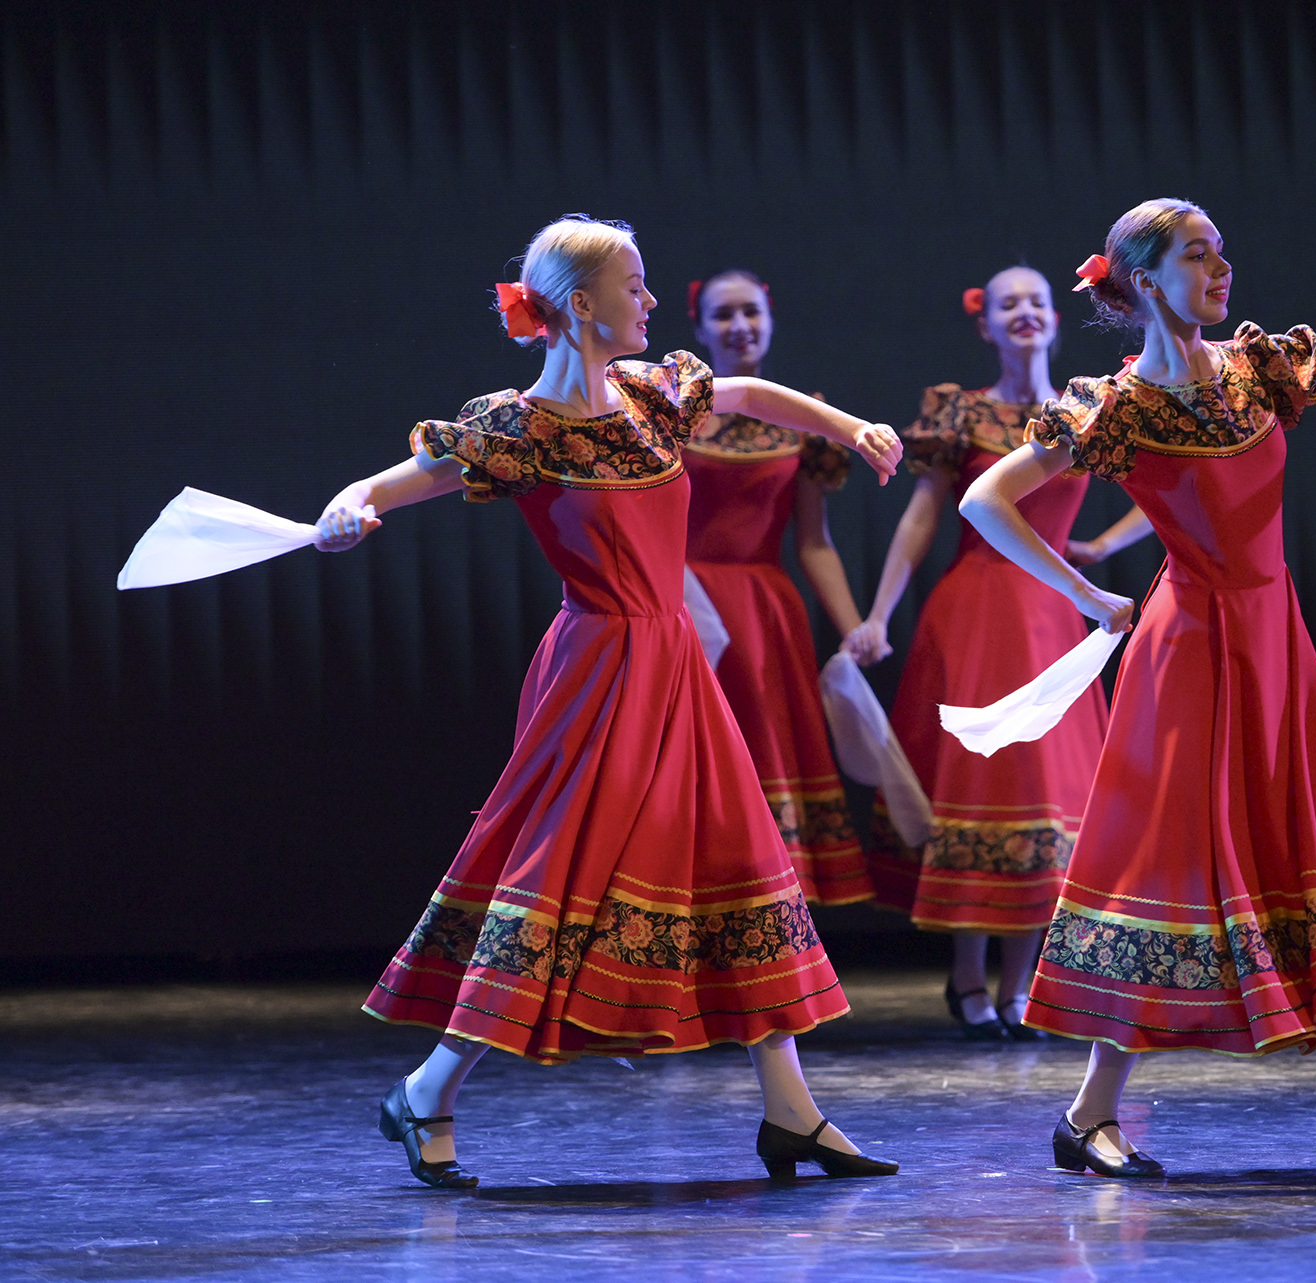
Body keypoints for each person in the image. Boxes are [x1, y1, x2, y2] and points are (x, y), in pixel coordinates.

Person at [324, 216, 902, 1188]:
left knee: (741, 858)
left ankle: (791, 1110)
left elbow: (749, 393)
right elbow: (398, 482)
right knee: (563, 878)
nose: (650, 300)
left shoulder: (655, 394)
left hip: (675, 663)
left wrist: (847, 426)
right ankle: (427, 1087)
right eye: (634, 285)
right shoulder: (521, 427)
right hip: (596, 674)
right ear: (582, 304)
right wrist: (350, 504)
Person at [959, 199, 1316, 1173]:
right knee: (1168, 861)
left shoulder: (1258, 367)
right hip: (1187, 654)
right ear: (1145, 281)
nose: (1221, 268)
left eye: (1221, 251)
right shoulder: (1119, 405)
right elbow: (985, 498)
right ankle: (1088, 1110)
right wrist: (1085, 592)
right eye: (1197, 255)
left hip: (1273, 638)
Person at [844, 267, 1152, 1040]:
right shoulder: (963, 410)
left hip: (1052, 616)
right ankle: (965, 977)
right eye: (1007, 303)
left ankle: (1018, 987)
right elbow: (923, 516)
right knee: (979, 782)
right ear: (986, 323)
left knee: (1045, 793)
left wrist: (1100, 546)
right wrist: (878, 613)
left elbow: (1165, 485)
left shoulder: (1085, 407)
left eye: (1036, 301)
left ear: (1055, 318)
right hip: (976, 615)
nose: (1024, 312)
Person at [683, 270, 876, 905]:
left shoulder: (803, 423)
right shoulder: (674, 416)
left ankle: (769, 911)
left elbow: (814, 542)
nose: (740, 326)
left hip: (765, 614)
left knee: (766, 747)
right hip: (688, 605)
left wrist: (854, 625)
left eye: (751, 312)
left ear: (769, 320)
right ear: (700, 329)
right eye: (723, 314)